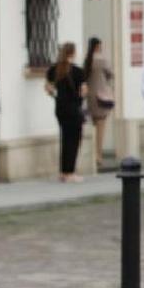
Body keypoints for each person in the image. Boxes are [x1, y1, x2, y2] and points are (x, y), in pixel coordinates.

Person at [45, 42, 86, 183]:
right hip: (73, 109)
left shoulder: (53, 70)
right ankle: (70, 172)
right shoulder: (78, 71)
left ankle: (63, 172)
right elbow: (83, 91)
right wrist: (80, 99)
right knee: (74, 141)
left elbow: (48, 89)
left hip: (60, 108)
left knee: (65, 139)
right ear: (73, 53)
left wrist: (56, 96)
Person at [83, 37, 115, 168]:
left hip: (90, 97)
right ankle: (98, 155)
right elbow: (111, 74)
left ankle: (92, 155)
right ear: (97, 46)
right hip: (101, 97)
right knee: (101, 127)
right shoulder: (101, 60)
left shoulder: (87, 60)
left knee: (93, 125)